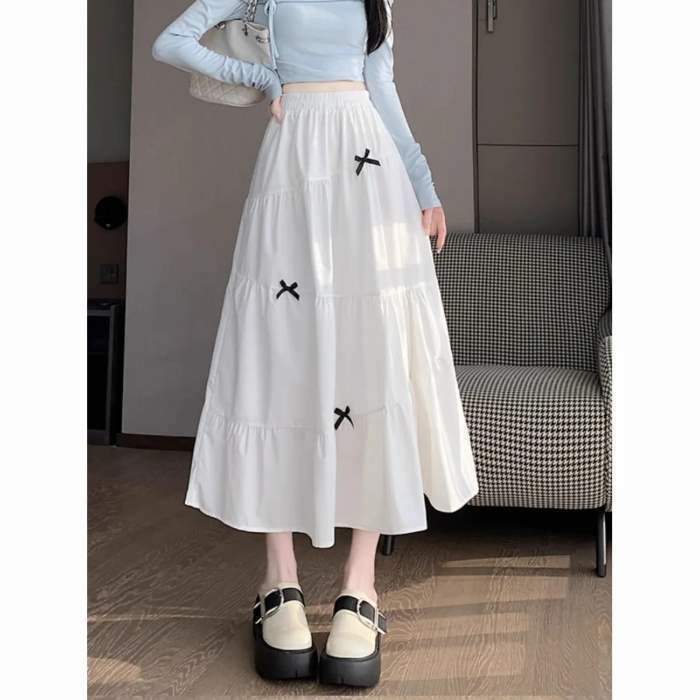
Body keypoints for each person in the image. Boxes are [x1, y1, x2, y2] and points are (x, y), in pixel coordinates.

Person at [152, 0, 479, 687]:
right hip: (293, 167)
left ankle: (361, 585)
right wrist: (266, 79)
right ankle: (280, 578)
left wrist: (423, 185)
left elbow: (381, 87)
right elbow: (172, 41)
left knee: (372, 357)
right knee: (280, 358)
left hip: (371, 173)